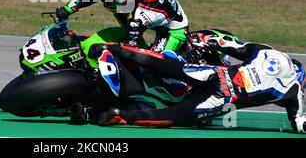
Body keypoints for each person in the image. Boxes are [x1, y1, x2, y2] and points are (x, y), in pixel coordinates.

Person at [89, 39, 306, 134]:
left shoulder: (268, 51)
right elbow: (300, 124)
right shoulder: (293, 90)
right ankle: (121, 115)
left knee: (170, 65)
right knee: (172, 116)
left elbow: (232, 46)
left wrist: (207, 42)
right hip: (223, 98)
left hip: (217, 74)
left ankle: (112, 48)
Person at [55, 0, 189, 57]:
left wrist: (110, 49)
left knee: (156, 62)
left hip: (173, 30)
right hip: (151, 14)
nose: (107, 2)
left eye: (113, 1)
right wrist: (67, 9)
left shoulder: (140, 15)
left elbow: (130, 48)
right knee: (127, 33)